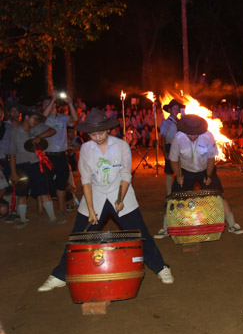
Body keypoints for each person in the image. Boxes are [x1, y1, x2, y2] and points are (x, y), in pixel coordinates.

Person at [37, 109, 174, 292]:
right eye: (93, 134)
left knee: (140, 234)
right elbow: (86, 181)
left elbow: (126, 175)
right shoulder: (86, 149)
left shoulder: (121, 146)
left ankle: (161, 268)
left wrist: (120, 199)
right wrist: (91, 209)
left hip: (121, 193)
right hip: (95, 194)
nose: (97, 137)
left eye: (100, 133)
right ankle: (59, 275)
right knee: (79, 235)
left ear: (108, 129)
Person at [156, 114, 243, 237]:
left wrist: (208, 175)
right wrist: (179, 175)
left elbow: (211, 158)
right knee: (173, 199)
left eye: (195, 134)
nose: (193, 136)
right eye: (190, 134)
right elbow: (174, 160)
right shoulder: (178, 137)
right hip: (185, 170)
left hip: (205, 169)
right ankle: (166, 228)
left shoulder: (208, 136)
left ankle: (232, 224)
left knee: (219, 195)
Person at [8, 107, 63, 227]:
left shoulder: (37, 128)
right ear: (27, 117)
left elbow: (53, 130)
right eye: (35, 119)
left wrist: (40, 136)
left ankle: (53, 218)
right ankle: (23, 220)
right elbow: (12, 155)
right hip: (21, 167)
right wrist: (13, 173)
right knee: (22, 195)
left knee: (44, 192)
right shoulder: (15, 133)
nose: (37, 121)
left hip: (37, 165)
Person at [42, 92, 79, 213]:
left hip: (62, 155)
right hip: (48, 155)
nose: (46, 105)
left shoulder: (62, 117)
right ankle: (45, 209)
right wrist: (53, 100)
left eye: (48, 103)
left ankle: (61, 208)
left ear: (55, 105)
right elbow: (42, 117)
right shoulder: (44, 119)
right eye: (45, 104)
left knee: (62, 182)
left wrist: (70, 104)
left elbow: (75, 119)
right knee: (46, 182)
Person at [160, 99, 182, 198]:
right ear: (169, 110)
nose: (176, 110)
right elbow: (163, 137)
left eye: (177, 108)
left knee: (180, 170)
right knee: (169, 172)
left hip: (179, 148)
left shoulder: (180, 122)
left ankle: (178, 191)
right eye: (174, 108)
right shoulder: (166, 123)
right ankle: (169, 194)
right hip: (170, 147)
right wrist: (164, 151)